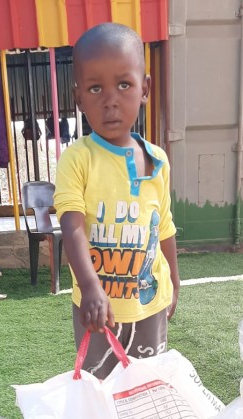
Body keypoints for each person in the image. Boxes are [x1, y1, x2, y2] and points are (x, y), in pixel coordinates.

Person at [54, 22, 179, 379]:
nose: (110, 100)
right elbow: (72, 226)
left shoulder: (157, 159)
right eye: (95, 88)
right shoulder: (77, 159)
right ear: (79, 98)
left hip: (149, 305)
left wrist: (174, 280)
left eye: (124, 84)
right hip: (99, 309)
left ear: (145, 89)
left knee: (146, 387)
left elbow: (163, 226)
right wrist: (90, 287)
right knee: (99, 389)